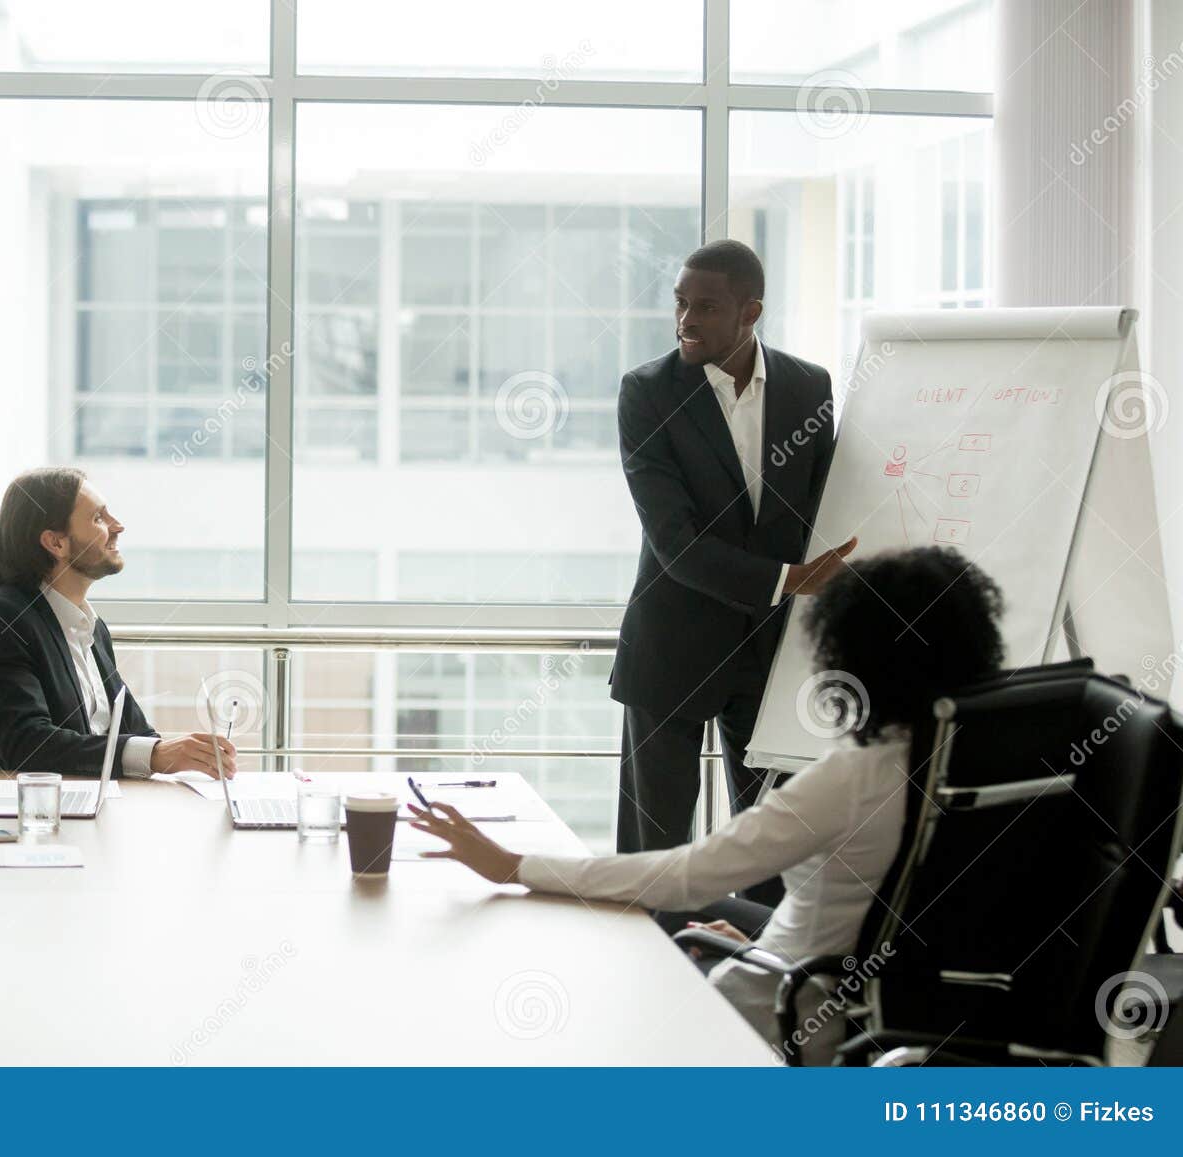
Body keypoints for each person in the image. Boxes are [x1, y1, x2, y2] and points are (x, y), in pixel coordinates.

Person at [410, 547, 1006, 1059]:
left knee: (615, 963)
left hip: (782, 1019)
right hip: (901, 1010)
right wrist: (769, 940)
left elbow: (684, 876)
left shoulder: (850, 778)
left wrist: (515, 866)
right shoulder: (997, 758)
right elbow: (885, 908)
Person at [612, 239, 855, 905]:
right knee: (653, 857)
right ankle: (653, 979)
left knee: (771, 850)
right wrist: (786, 579)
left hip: (771, 654)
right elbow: (673, 542)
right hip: (670, 649)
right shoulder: (646, 393)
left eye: (706, 307)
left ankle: (752, 989)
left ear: (751, 311)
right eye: (680, 303)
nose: (685, 320)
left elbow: (823, 506)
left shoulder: (810, 386)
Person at [0, 467, 237, 778]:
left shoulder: (90, 627)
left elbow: (133, 729)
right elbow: (27, 744)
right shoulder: (4, 622)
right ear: (56, 543)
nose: (117, 526)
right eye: (98, 518)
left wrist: (187, 755)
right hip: (42, 812)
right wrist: (155, 755)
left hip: (98, 801)